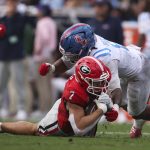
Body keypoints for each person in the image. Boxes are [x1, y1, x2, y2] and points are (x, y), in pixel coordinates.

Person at [39, 23, 150, 138]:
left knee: (136, 111)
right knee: (127, 105)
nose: (70, 57)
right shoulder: (89, 42)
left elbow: (116, 90)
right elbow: (67, 60)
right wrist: (51, 68)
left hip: (140, 69)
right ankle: (137, 125)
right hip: (124, 64)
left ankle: (137, 124)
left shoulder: (104, 56)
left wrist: (115, 109)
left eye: (72, 53)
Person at [0, 56, 118, 136]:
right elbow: (79, 128)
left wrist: (110, 109)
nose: (102, 85)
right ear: (84, 80)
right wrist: (101, 110)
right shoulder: (75, 93)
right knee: (36, 129)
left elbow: (97, 96)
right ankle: (2, 126)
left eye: (102, 81)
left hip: (75, 109)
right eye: (97, 82)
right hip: (62, 120)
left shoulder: (88, 84)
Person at [0, 0, 34, 120]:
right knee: (1, 83)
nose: (11, 6)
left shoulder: (21, 18)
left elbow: (17, 31)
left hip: (16, 56)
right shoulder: (3, 18)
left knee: (19, 83)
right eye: (10, 3)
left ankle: (21, 109)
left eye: (14, 3)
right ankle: (2, 108)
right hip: (3, 55)